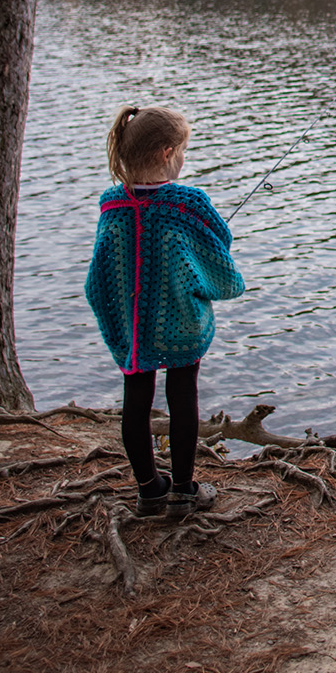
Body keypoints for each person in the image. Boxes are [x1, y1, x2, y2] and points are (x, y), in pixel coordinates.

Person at [86, 106, 245, 517]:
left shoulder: (111, 204)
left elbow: (98, 278)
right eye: (184, 151)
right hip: (180, 324)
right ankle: (183, 490)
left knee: (135, 401)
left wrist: (117, 314)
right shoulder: (188, 202)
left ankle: (148, 492)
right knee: (183, 396)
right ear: (168, 152)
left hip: (132, 328)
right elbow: (220, 252)